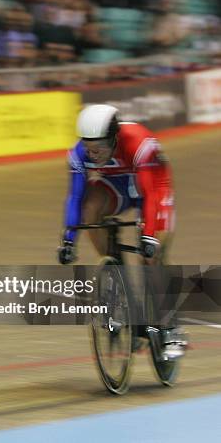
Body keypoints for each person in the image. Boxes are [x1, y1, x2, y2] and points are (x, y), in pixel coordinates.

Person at [58, 103, 187, 360]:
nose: (93, 155)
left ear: (115, 138)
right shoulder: (79, 154)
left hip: (152, 188)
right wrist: (69, 240)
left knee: (152, 257)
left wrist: (149, 236)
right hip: (116, 184)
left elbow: (150, 195)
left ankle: (171, 325)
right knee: (90, 208)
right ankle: (116, 274)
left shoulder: (139, 143)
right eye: (89, 149)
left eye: (99, 149)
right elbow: (75, 197)